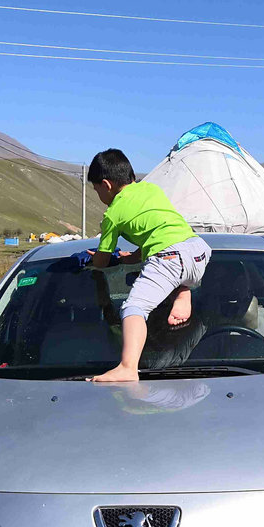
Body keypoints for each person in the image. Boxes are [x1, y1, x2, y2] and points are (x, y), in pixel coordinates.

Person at [82, 148, 211, 382]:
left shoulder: (113, 213)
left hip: (170, 257)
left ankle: (128, 367)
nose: (98, 194)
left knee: (134, 308)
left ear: (105, 185)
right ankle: (183, 292)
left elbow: (102, 260)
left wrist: (97, 260)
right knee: (164, 270)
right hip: (197, 251)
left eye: (96, 189)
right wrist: (130, 258)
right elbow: (159, 231)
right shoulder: (152, 189)